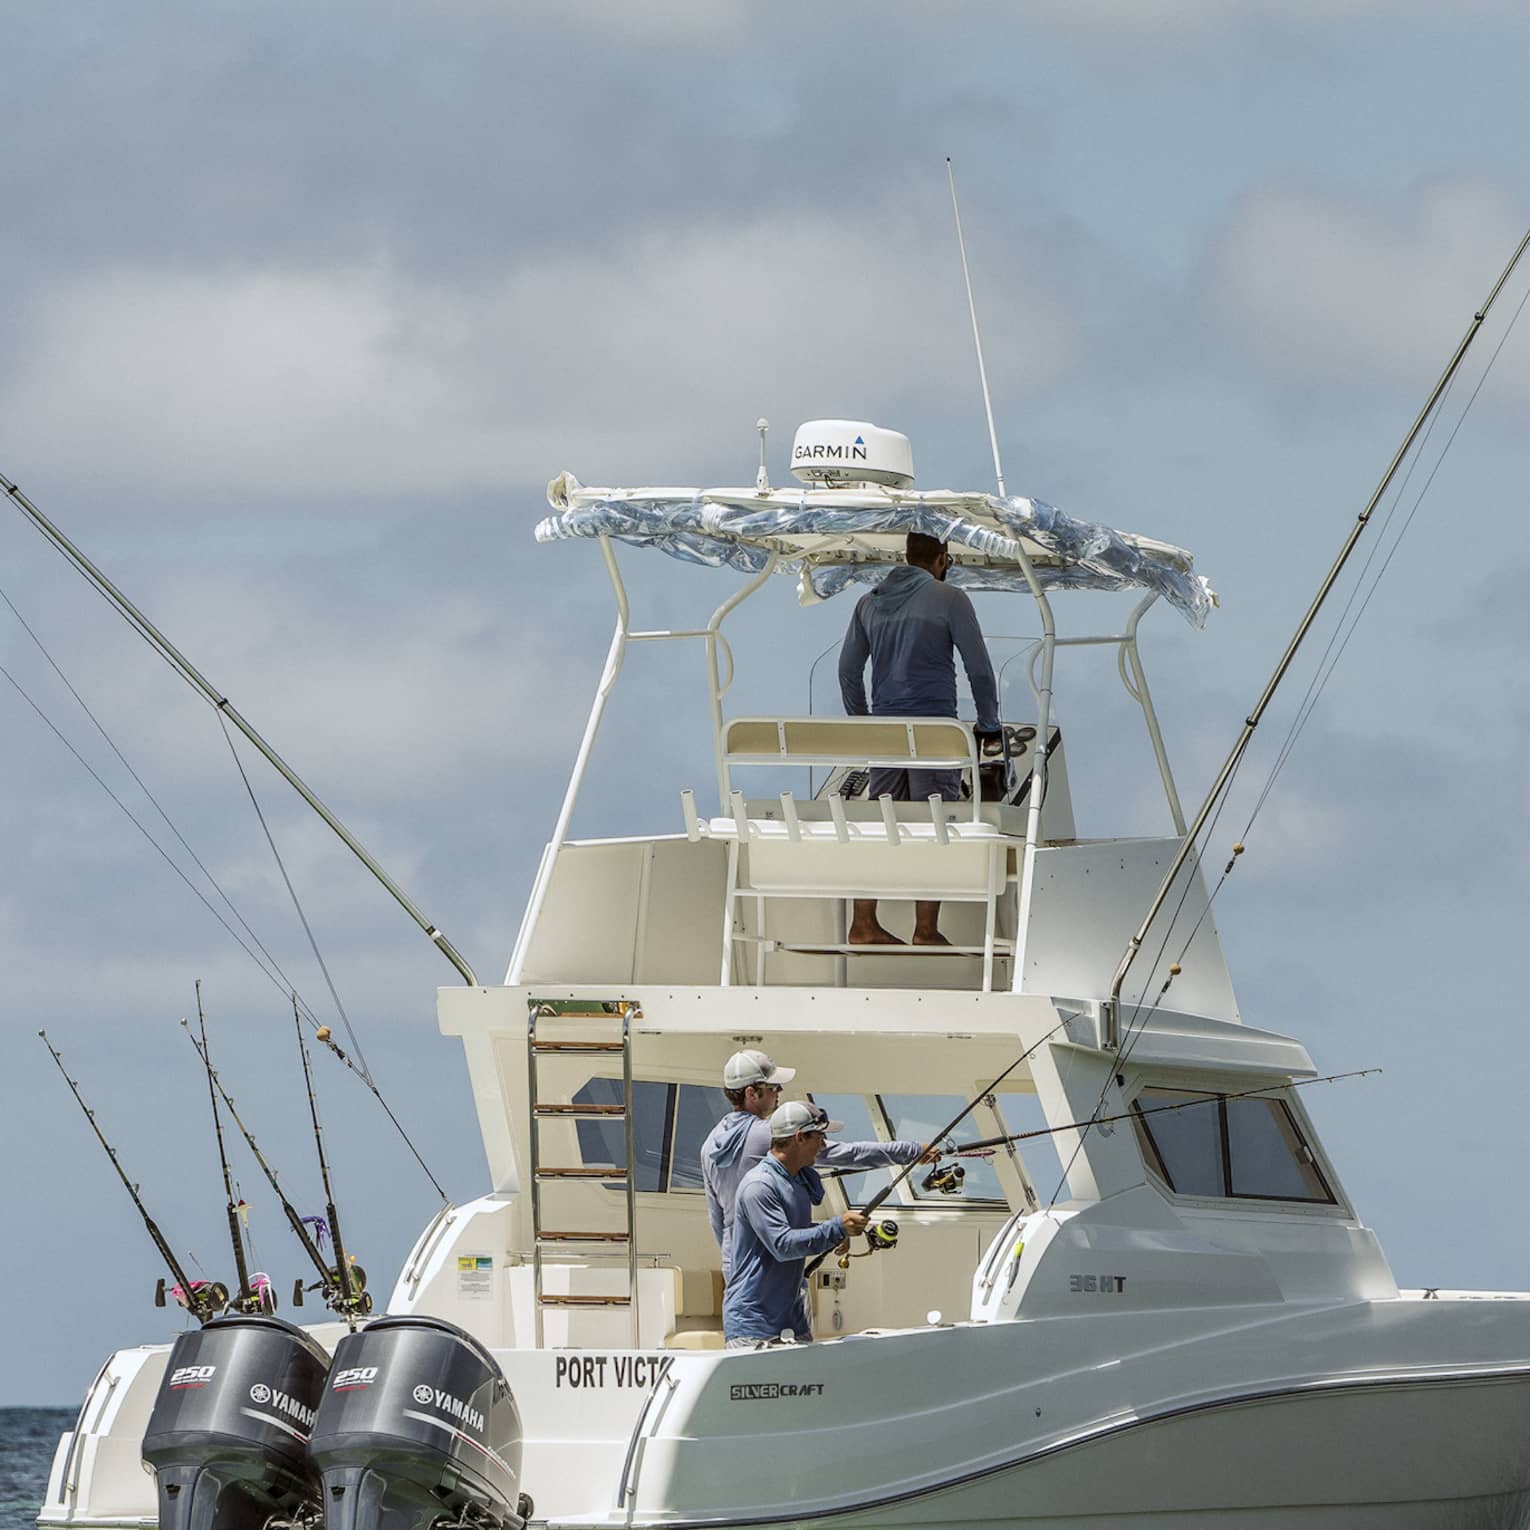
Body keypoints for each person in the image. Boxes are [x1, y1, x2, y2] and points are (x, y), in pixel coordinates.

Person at [838, 531, 1000, 946]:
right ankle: (925, 929)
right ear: (942, 559)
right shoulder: (951, 599)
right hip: (933, 733)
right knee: (936, 824)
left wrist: (862, 725)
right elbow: (978, 668)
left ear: (904, 558)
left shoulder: (868, 603)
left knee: (880, 823)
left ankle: (863, 923)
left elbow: (847, 672)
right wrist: (988, 722)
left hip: (885, 733)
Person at [701, 1049, 927, 1281]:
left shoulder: (709, 1144)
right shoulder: (769, 1134)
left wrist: (734, 1255)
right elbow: (848, 1154)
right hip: (771, 1268)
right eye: (773, 1087)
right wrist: (912, 1151)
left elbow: (717, 1217)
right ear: (751, 1094)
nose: (780, 1091)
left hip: (736, 1265)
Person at [722, 1101, 870, 1347]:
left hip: (792, 1323)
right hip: (753, 1329)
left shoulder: (796, 1182)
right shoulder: (759, 1185)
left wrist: (835, 1233)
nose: (823, 1146)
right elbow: (782, 1245)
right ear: (800, 1137)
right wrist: (835, 1228)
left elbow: (794, 1231)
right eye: (820, 1137)